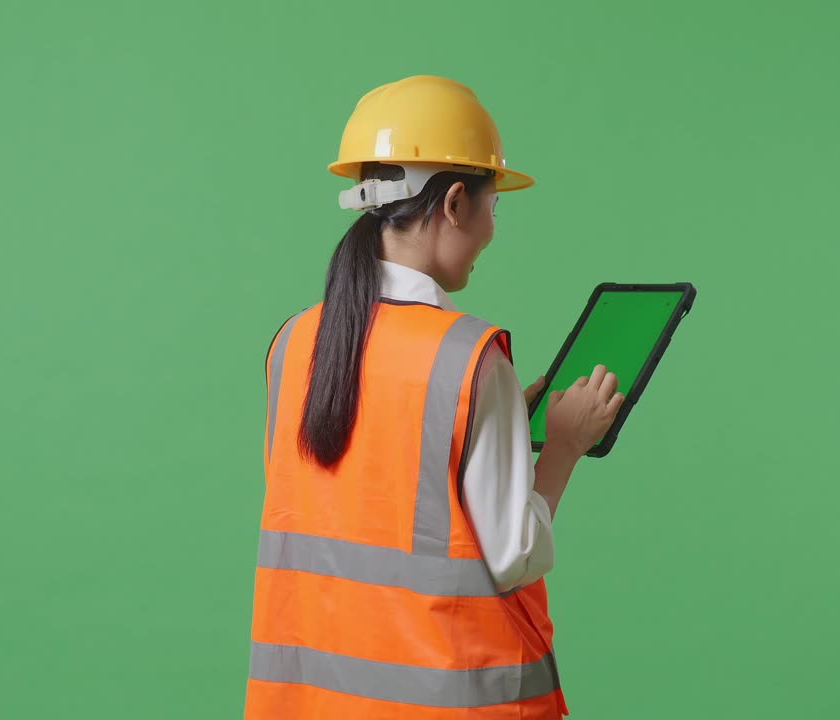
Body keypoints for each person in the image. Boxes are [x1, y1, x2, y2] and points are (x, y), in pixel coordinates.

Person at [245, 75, 623, 719]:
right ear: (454, 204)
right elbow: (515, 556)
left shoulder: (295, 341)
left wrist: (499, 424)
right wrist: (561, 446)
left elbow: (350, 509)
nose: (490, 230)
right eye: (491, 206)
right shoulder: (471, 358)